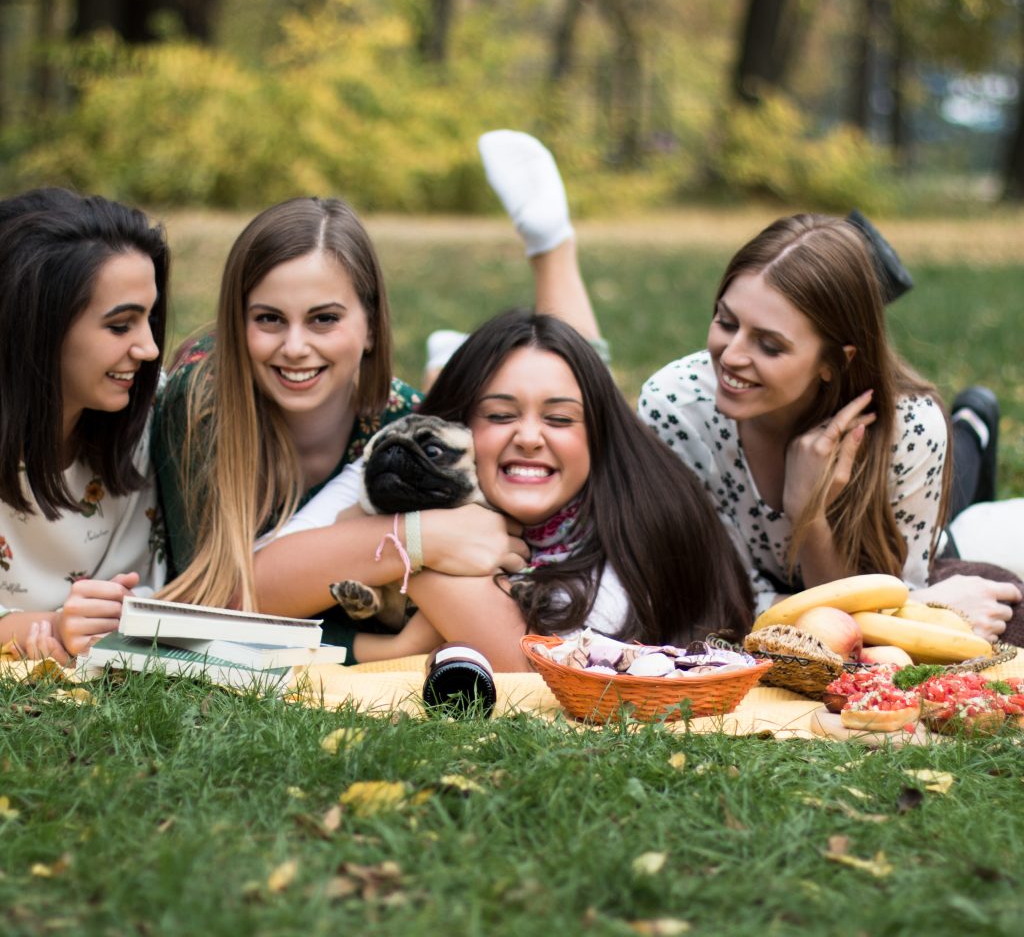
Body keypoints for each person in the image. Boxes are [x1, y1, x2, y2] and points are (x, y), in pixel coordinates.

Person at [153, 132, 595, 646]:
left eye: (324, 319)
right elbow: (209, 605)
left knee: (572, 393)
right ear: (236, 322)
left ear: (370, 327)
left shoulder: (398, 424)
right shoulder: (202, 401)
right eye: (269, 319)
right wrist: (414, 541)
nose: (295, 347)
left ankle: (551, 250)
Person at [258, 309, 755, 669]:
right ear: (457, 423)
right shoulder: (418, 458)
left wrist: (412, 557)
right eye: (499, 415)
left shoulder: (635, 519)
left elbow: (528, 670)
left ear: (597, 435)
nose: (530, 437)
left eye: (560, 419)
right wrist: (421, 532)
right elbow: (245, 590)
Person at [638, 213, 1021, 642]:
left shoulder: (911, 429)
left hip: (902, 509)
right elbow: (709, 598)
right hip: (821, 592)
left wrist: (810, 515)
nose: (729, 356)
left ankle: (972, 422)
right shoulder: (677, 407)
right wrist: (903, 612)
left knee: (956, 507)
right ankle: (970, 423)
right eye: (726, 322)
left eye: (769, 345)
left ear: (834, 361)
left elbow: (896, 596)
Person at [0, 187, 168, 662]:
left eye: (149, 319)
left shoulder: (154, 412)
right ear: (35, 327)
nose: (150, 348)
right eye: (121, 326)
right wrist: (48, 626)